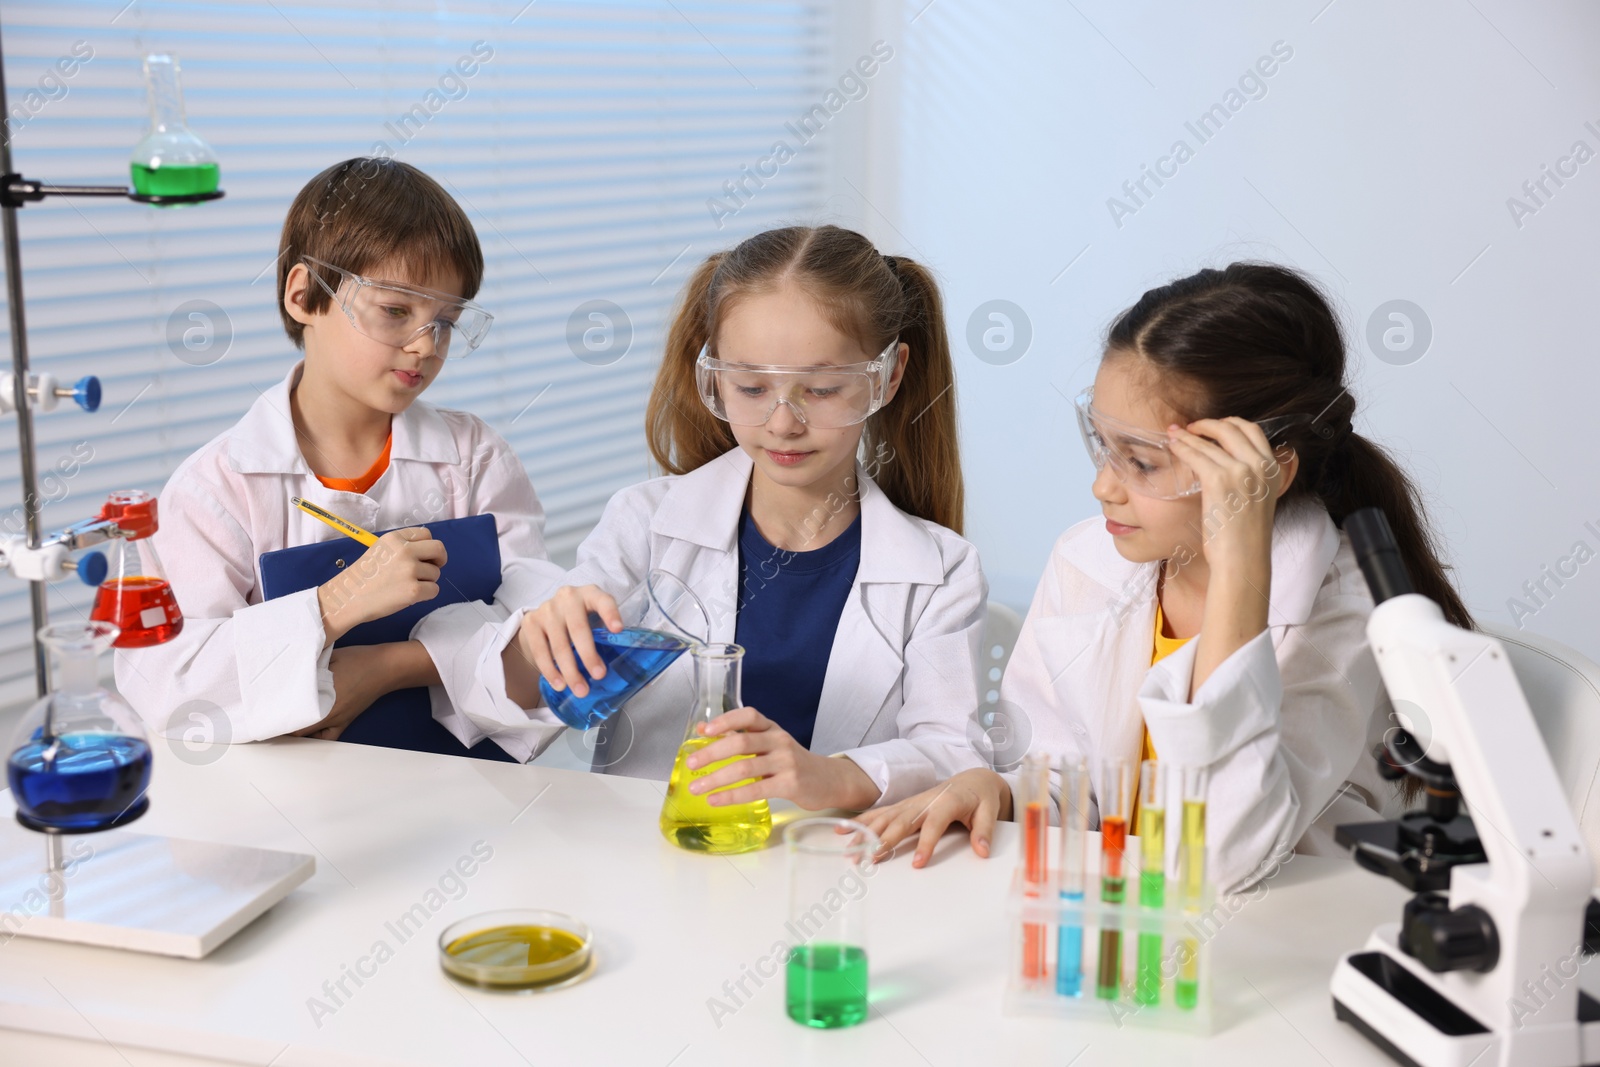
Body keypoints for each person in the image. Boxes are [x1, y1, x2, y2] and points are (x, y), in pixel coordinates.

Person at [859, 262, 1473, 892]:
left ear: (1263, 473)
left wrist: (1240, 565)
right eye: (1101, 444)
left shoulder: (1345, 613)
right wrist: (1002, 789)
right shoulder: (1087, 562)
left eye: (1143, 463)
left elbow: (1220, 858)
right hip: (1132, 922)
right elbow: (1069, 778)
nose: (1103, 486)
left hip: (1279, 944)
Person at [456, 224, 988, 808]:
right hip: (655, 862)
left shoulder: (942, 569)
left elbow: (955, 756)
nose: (783, 423)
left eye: (822, 389)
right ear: (714, 375)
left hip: (839, 871)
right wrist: (537, 647)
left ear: (887, 375)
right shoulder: (646, 526)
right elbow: (508, 707)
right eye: (752, 387)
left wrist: (828, 776)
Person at [115, 157, 559, 760]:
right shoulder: (216, 488)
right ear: (303, 295)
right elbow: (173, 688)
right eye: (396, 311)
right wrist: (335, 604)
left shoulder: (473, 458)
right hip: (286, 810)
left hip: (462, 795)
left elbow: (543, 641)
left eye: (446, 321)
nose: (426, 345)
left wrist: (385, 667)